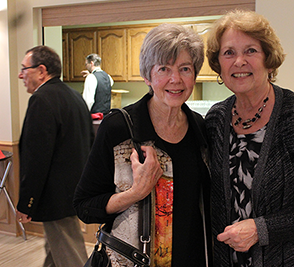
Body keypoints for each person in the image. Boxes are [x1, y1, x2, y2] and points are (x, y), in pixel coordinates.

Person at [205, 10, 294, 267]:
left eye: (250, 51)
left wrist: (262, 229)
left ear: (269, 61)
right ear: (219, 65)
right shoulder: (216, 120)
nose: (239, 61)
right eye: (229, 53)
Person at [74, 23, 212, 267]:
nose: (175, 79)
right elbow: (85, 207)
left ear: (194, 74)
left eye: (185, 68)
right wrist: (136, 193)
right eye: (164, 69)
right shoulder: (119, 129)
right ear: (148, 76)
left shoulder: (200, 129)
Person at [16, 45, 94, 267]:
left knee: (70, 254)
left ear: (41, 70)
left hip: (55, 197)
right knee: (54, 249)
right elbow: (89, 144)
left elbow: (36, 158)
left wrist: (27, 202)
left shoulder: (42, 99)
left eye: (24, 69)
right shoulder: (74, 96)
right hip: (74, 192)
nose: (21, 75)